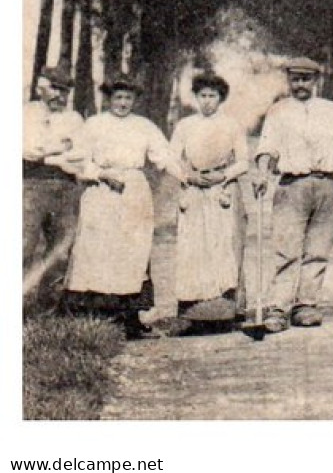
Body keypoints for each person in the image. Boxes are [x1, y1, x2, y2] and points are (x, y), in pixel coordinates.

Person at [252, 57, 333, 333]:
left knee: (317, 251)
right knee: (287, 250)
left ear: (315, 81)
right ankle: (278, 308)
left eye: (306, 79)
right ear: (289, 81)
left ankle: (306, 305)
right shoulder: (278, 111)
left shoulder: (330, 110)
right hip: (291, 187)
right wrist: (261, 173)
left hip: (326, 186)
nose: (300, 84)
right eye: (295, 79)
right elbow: (267, 147)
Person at [63, 74, 184, 339]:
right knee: (98, 249)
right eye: (118, 97)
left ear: (135, 100)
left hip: (133, 191)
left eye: (128, 98)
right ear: (109, 99)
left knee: (132, 251)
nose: (122, 103)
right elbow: (77, 160)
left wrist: (188, 178)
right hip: (101, 191)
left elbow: (164, 157)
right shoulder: (93, 125)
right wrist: (101, 174)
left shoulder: (144, 126)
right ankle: (94, 318)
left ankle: (130, 319)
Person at [169, 72, 250, 327]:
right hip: (193, 190)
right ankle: (192, 313)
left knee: (222, 246)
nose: (207, 101)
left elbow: (244, 161)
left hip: (221, 191)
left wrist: (222, 175)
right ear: (195, 98)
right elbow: (172, 159)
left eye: (212, 96)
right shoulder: (185, 126)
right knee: (193, 248)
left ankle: (226, 310)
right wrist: (189, 175)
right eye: (202, 96)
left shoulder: (231, 125)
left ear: (220, 98)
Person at [24, 67, 84, 308]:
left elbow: (80, 154)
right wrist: (61, 147)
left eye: (66, 91)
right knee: (23, 245)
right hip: (29, 185)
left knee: (60, 250)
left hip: (66, 187)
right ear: (41, 87)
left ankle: (47, 307)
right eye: (56, 89)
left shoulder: (74, 119)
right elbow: (27, 150)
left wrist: (46, 152)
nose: (61, 96)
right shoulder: (26, 113)